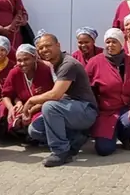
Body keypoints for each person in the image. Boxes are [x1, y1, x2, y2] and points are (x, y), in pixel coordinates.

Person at [26, 33, 99, 167]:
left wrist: (32, 101)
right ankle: (75, 139)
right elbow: (62, 95)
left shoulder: (68, 64)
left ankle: (60, 152)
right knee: (35, 130)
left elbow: (55, 95)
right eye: (40, 48)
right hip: (70, 108)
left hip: (86, 110)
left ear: (58, 45)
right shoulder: (56, 64)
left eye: (48, 46)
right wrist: (36, 107)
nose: (44, 50)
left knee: (49, 107)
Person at [86, 28, 130, 156]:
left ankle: (125, 137)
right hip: (105, 112)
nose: (110, 45)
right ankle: (110, 136)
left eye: (114, 42)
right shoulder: (95, 62)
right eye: (108, 42)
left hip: (126, 109)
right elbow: (86, 89)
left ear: (121, 44)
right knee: (104, 150)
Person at [1, 44, 55, 141]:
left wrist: (29, 112)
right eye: (19, 60)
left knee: (35, 128)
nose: (22, 63)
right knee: (6, 112)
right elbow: (6, 94)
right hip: (22, 107)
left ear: (35, 58)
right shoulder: (14, 72)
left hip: (41, 107)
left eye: (26, 59)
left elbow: (50, 97)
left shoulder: (45, 71)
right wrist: (11, 108)